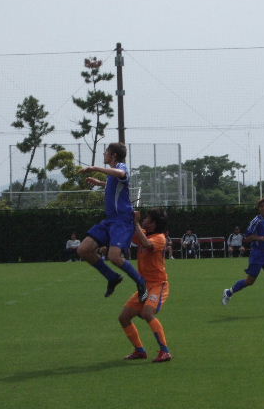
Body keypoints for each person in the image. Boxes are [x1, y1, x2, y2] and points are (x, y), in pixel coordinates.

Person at [76, 142, 148, 302]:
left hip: (122, 220)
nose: (104, 154)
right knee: (83, 250)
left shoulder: (121, 167)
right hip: (110, 221)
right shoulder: (112, 174)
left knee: (114, 256)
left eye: (106, 152)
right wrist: (100, 183)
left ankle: (141, 282)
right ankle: (112, 277)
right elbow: (115, 184)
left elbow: (121, 174)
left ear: (113, 155)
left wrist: (95, 168)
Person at [119, 209, 172, 363]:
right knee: (124, 318)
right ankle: (139, 350)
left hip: (158, 285)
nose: (144, 220)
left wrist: (135, 223)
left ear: (154, 224)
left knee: (147, 313)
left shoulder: (160, 238)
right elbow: (129, 232)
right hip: (144, 286)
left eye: (148, 218)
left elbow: (146, 244)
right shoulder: (144, 233)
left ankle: (165, 351)